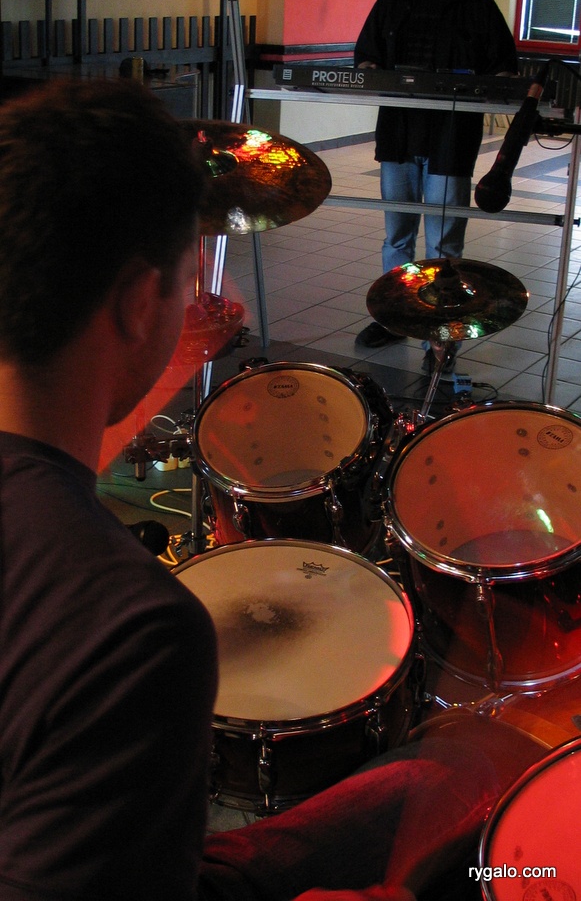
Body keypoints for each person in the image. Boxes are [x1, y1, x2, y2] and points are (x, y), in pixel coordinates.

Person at [0, 79, 546, 901]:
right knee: (470, 772)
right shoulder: (128, 630)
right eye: (183, 278)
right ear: (142, 301)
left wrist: (160, 364)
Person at [354, 0, 518, 372]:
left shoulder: (479, 6)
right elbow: (365, 56)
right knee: (397, 236)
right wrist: (368, 70)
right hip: (399, 135)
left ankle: (440, 338)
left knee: (444, 244)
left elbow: (504, 68)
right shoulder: (392, 1)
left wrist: (500, 81)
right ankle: (395, 317)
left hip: (451, 140)